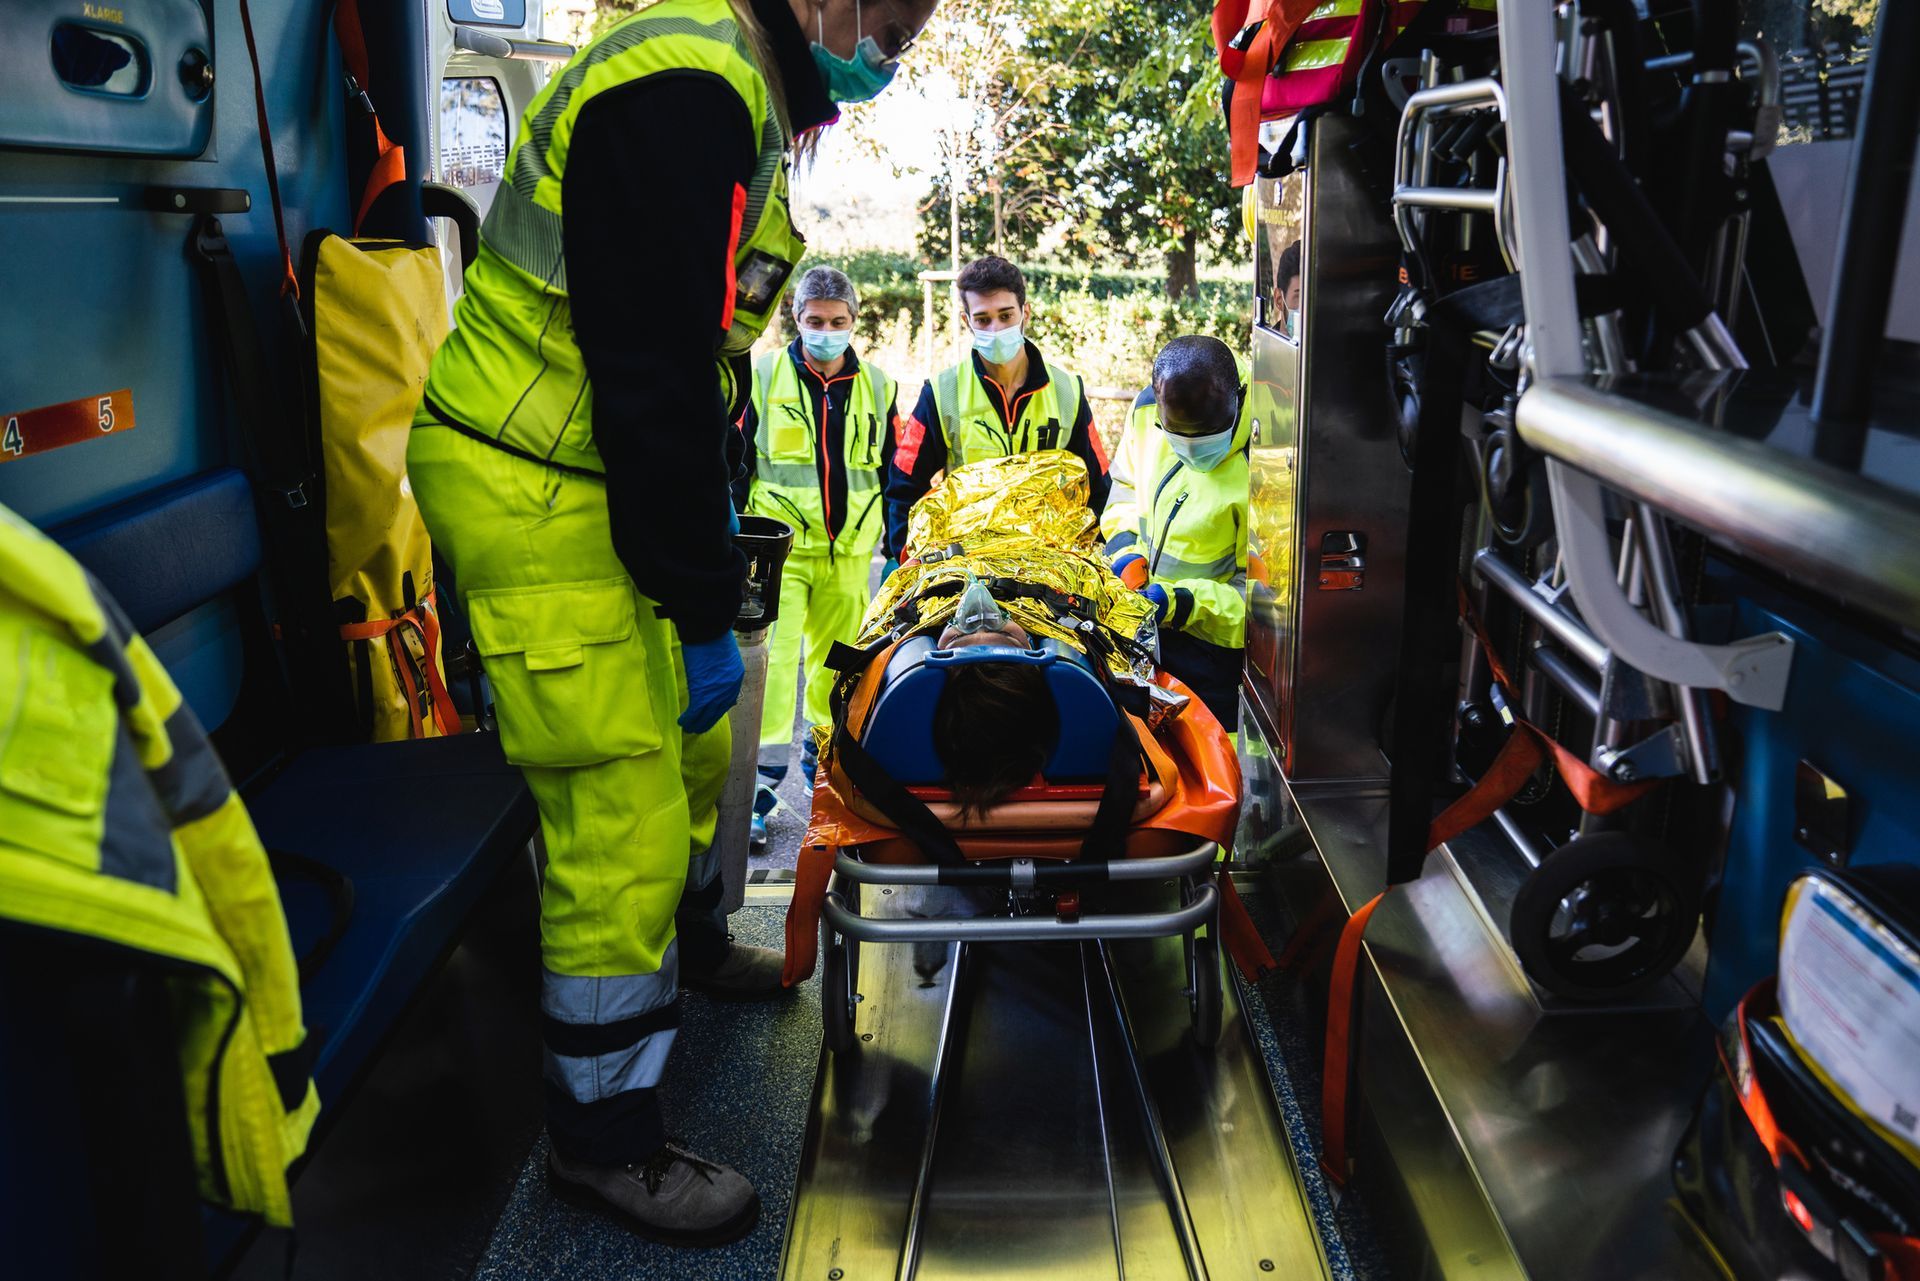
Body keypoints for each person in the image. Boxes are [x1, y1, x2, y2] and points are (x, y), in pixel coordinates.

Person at [406, 0, 937, 1245]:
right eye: (896, 21)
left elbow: (685, 364)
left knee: (700, 756)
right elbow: (646, 363)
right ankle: (605, 1144)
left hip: (592, 476)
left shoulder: (728, 78)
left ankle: (692, 947)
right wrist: (698, 605)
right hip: (532, 481)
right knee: (621, 819)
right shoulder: (688, 85)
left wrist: (697, 554)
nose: (893, 52)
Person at [736, 265, 898, 848]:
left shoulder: (881, 387)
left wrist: (894, 543)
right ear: (796, 321)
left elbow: (887, 470)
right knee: (774, 671)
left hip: (852, 553)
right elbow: (736, 464)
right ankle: (758, 795)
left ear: (854, 321)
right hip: (781, 552)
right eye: (813, 321)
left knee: (837, 672)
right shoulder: (761, 378)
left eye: (837, 321)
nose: (826, 331)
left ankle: (828, 785)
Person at [883, 255, 1111, 565]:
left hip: (1048, 571)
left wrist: (1091, 561)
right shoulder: (942, 392)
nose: (996, 328)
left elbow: (1099, 486)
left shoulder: (1066, 390)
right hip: (968, 572)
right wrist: (909, 560)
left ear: (1024, 313)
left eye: (1006, 315)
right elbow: (903, 487)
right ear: (967, 322)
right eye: (983, 319)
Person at [1102, 335, 1251, 730]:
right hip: (1148, 633)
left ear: (1238, 398)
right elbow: (1123, 488)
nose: (1192, 450)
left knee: (1215, 769)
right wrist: (1125, 556)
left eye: (1206, 435)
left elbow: (1263, 603)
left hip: (1216, 656)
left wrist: (1184, 602)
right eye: (1178, 435)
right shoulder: (1146, 411)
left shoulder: (1269, 460)